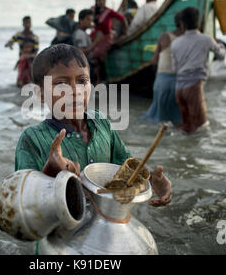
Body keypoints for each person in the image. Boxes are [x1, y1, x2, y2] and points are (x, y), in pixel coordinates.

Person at [15, 43, 172, 202]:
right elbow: (23, 200)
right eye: (61, 83)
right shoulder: (32, 140)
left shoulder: (101, 123)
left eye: (82, 81)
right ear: (40, 94)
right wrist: (50, 172)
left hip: (107, 218)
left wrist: (150, 177)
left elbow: (125, 164)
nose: (75, 91)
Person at [171, 7, 226, 134]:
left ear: (183, 24)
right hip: (193, 87)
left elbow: (175, 68)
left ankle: (182, 152)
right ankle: (195, 153)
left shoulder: (175, 43)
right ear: (199, 22)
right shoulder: (206, 39)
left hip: (179, 88)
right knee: (201, 126)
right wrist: (221, 45)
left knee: (186, 126)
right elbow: (221, 55)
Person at [141, 12, 183, 125]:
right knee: (179, 121)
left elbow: (154, 60)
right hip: (183, 82)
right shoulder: (190, 39)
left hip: (163, 81)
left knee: (160, 121)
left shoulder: (165, 36)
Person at [91, 0, 128, 81]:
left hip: (106, 38)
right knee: (93, 57)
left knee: (99, 55)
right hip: (95, 37)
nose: (101, 2)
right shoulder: (92, 10)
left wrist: (124, 33)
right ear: (96, 0)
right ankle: (97, 79)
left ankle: (103, 79)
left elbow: (123, 19)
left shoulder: (109, 11)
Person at [72, 9, 102, 85]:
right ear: (80, 20)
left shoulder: (83, 33)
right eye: (88, 19)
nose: (90, 22)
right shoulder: (80, 34)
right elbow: (81, 53)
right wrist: (96, 42)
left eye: (91, 20)